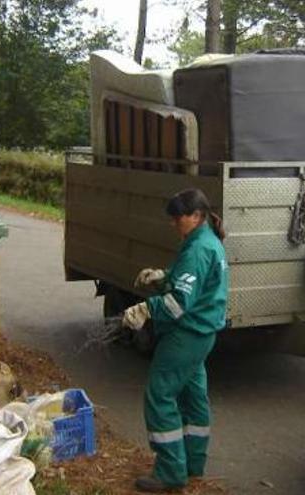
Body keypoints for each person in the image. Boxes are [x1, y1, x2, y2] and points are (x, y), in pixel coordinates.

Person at [121, 188, 229, 493]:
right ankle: (193, 463)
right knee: (194, 399)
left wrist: (146, 308)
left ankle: (170, 471)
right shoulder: (207, 242)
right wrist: (163, 277)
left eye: (177, 218)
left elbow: (179, 303)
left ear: (196, 216)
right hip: (203, 334)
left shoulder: (197, 249)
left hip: (186, 334)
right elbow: (193, 283)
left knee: (160, 395)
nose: (173, 223)